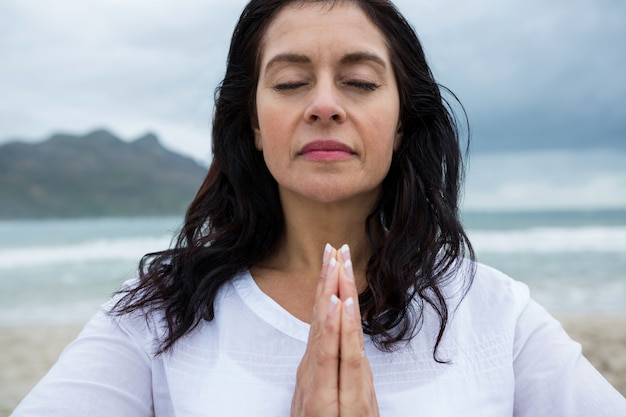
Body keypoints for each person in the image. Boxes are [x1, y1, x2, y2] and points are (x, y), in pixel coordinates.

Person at [11, 0, 626, 416]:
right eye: (289, 82)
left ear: (403, 123)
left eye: (359, 82)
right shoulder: (157, 314)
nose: (325, 104)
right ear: (252, 121)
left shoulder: (494, 313)